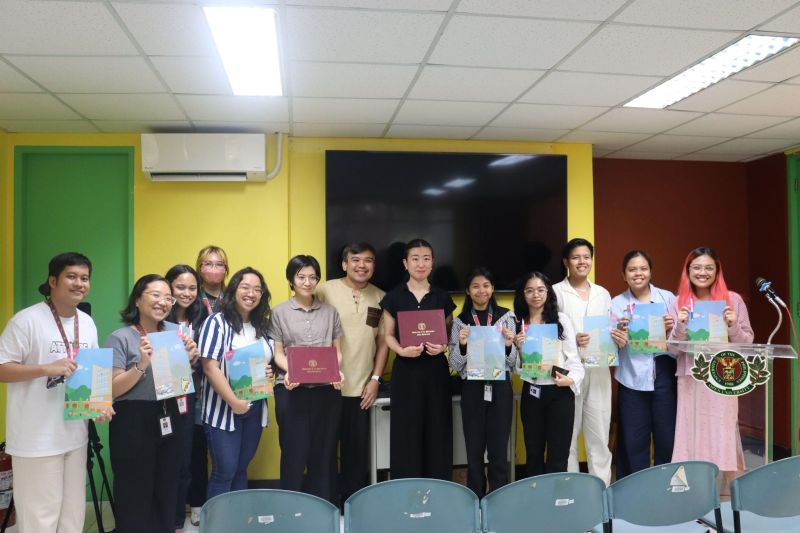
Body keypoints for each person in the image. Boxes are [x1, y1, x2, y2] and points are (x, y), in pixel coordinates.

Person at [0, 252, 112, 533]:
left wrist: (99, 404)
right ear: (52, 281)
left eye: (84, 278)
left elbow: (91, 370)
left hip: (75, 435)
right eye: (71, 276)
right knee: (40, 519)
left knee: (71, 517)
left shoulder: (86, 322)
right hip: (36, 439)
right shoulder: (26, 321)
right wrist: (45, 368)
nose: (79, 283)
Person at [108, 274, 199, 533]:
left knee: (167, 485)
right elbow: (113, 388)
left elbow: (180, 377)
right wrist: (141, 364)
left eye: (168, 297)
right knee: (134, 488)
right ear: (138, 299)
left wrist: (190, 358)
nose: (163, 302)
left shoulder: (177, 333)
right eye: (155, 295)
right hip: (133, 419)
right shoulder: (121, 337)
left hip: (171, 414)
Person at [667, 247, 753, 481]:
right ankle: (692, 487)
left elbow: (747, 344)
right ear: (688, 271)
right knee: (690, 431)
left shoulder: (732, 300)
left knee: (721, 430)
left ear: (717, 271)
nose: (702, 272)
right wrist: (681, 325)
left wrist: (733, 326)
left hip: (723, 377)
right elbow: (673, 350)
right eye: (696, 267)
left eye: (708, 267)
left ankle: (722, 489)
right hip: (691, 377)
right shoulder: (679, 303)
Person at [315, 242, 389, 504]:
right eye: (355, 260)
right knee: (323, 450)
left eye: (368, 260)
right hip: (327, 385)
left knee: (356, 452)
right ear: (344, 264)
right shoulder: (324, 290)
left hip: (362, 388)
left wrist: (375, 380)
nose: (362, 265)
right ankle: (324, 503)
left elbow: (383, 343)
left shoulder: (381, 297)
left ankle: (353, 505)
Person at [380, 238, 456, 480]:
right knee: (407, 429)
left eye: (426, 259)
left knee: (438, 428)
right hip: (406, 371)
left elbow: (448, 334)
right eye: (415, 259)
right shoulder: (393, 297)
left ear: (432, 263)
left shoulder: (442, 297)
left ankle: (439, 484)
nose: (420, 264)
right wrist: (401, 351)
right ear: (405, 263)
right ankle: (406, 485)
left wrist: (441, 347)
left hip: (435, 371)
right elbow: (388, 336)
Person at [270, 255, 344, 504]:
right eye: (301, 276)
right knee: (293, 451)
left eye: (313, 277)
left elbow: (337, 350)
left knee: (323, 452)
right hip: (291, 389)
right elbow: (277, 352)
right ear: (291, 279)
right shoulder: (279, 312)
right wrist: (290, 371)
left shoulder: (330, 312)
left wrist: (337, 370)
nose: (307, 281)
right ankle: (290, 507)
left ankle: (321, 507)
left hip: (326, 390)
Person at [552, 238, 625, 485]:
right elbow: (549, 332)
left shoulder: (603, 294)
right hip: (569, 373)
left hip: (599, 370)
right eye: (576, 257)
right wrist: (572, 339)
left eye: (586, 257)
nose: (582, 262)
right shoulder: (555, 292)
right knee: (567, 437)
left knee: (599, 435)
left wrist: (618, 334)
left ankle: (601, 490)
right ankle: (573, 492)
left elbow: (609, 330)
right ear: (566, 262)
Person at [198, 267, 274, 499]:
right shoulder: (217, 322)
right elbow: (209, 367)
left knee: (241, 469)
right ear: (234, 290)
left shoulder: (263, 325)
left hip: (256, 407)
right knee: (225, 471)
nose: (251, 293)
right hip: (223, 408)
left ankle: (237, 521)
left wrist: (268, 373)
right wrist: (234, 402)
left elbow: (267, 362)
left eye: (257, 290)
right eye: (245, 287)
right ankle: (218, 524)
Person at [447, 267, 517, 497]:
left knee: (498, 447)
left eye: (486, 285)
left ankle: (498, 495)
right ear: (468, 290)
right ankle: (475, 494)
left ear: (493, 288)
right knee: (474, 447)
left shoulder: (507, 317)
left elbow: (515, 363)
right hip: (473, 389)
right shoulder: (460, 322)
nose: (481, 290)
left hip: (500, 387)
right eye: (475, 286)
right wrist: (463, 345)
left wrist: (508, 345)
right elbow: (455, 365)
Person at [611, 250, 677, 477]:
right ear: (623, 275)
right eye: (632, 269)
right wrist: (617, 338)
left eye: (643, 268)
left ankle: (664, 486)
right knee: (633, 439)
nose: (638, 273)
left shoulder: (667, 298)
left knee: (666, 436)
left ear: (650, 271)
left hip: (664, 373)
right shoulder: (616, 304)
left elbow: (682, 340)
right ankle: (634, 491)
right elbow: (608, 349)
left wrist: (671, 329)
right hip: (631, 377)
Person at [513, 272, 583, 476]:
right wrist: (519, 349)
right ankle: (536, 501)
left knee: (558, 455)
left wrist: (570, 380)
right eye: (530, 290)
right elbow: (519, 369)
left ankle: (556, 502)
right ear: (523, 294)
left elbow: (574, 361)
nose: (536, 295)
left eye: (541, 289)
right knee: (533, 454)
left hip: (559, 394)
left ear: (548, 292)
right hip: (532, 393)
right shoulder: (519, 322)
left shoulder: (560, 320)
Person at [165, 264, 208, 528]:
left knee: (195, 449)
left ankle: (196, 503)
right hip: (164, 396)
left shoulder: (203, 317)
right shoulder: (159, 317)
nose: (187, 293)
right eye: (180, 287)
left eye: (192, 287)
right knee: (172, 452)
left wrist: (195, 358)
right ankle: (173, 510)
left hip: (196, 394)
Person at [195, 245, 229, 314]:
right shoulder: (192, 297)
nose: (214, 268)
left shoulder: (232, 298)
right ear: (200, 268)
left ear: (225, 269)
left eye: (219, 264)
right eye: (208, 264)